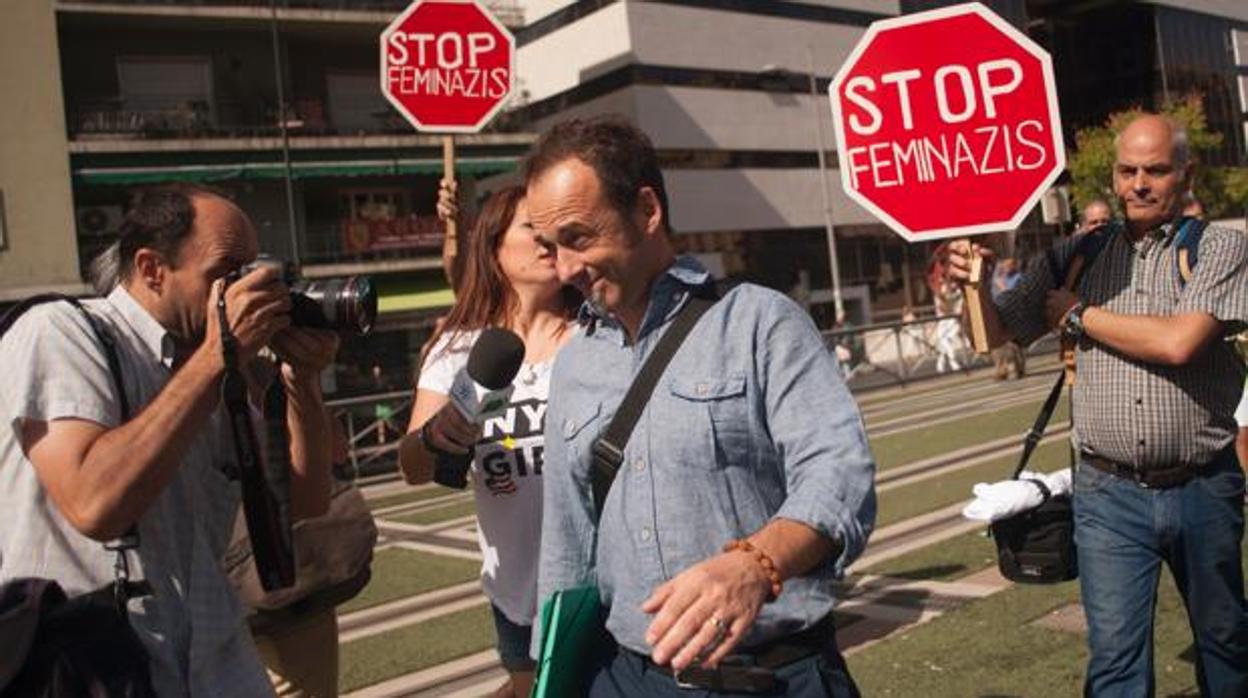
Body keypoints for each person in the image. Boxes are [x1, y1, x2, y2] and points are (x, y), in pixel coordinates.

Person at [526, 116, 876, 696]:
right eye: (551, 247)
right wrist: (545, 673)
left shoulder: (760, 321)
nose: (564, 269)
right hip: (625, 679)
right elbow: (568, 540)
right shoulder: (575, 362)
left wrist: (756, 564)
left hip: (771, 675)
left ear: (647, 210)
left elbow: (840, 473)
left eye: (579, 237)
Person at [945, 114, 1248, 696]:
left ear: (1184, 173)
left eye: (1155, 170)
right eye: (1127, 169)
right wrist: (974, 285)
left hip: (1203, 486)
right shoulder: (1075, 255)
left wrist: (1078, 315)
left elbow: (1179, 343)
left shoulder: (1219, 247)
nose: (1138, 183)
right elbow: (996, 335)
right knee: (1114, 660)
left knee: (1226, 641)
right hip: (1107, 495)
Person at [0, 183, 339, 696]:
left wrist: (303, 382)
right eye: (228, 272)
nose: (246, 291)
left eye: (253, 270)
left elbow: (306, 501)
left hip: (216, 660)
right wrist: (217, 358)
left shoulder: (216, 368)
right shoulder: (60, 332)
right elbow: (95, 504)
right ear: (153, 268)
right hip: (90, 665)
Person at [399, 184, 580, 698]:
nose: (549, 241)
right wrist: (436, 436)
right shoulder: (459, 350)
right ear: (494, 245)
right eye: (531, 227)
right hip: (516, 593)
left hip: (598, 581)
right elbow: (410, 468)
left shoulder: (601, 334)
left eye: (556, 230)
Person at [990, 257, 1026, 380]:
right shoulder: (996, 278)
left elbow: (1015, 294)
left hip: (1013, 312)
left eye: (1010, 265)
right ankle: (1001, 369)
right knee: (997, 345)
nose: (1006, 267)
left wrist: (1002, 286)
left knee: (1014, 343)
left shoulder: (1018, 277)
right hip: (997, 312)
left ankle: (1018, 367)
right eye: (1005, 265)